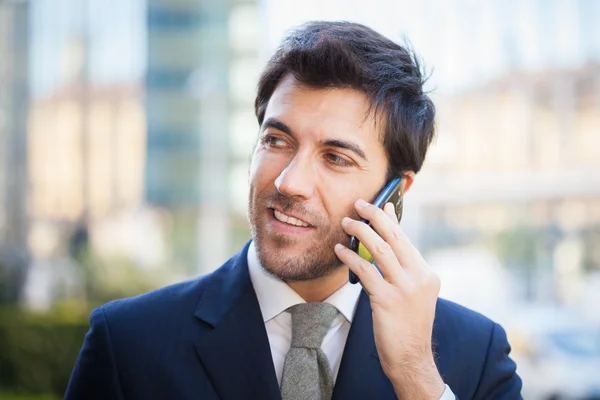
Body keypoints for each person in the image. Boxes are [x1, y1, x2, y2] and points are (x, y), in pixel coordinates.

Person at [65, 21, 522, 399]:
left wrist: (416, 376)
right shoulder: (126, 343)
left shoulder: (474, 354)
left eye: (336, 158)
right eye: (277, 141)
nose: (289, 182)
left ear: (395, 193)